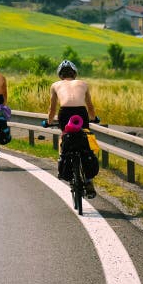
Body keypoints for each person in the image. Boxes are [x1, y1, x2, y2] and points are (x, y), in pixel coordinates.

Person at [47, 59, 98, 198]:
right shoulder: (83, 84)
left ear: (60, 75)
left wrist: (48, 121)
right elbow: (90, 106)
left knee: (64, 136)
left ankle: (61, 159)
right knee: (85, 140)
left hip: (65, 113)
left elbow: (52, 108)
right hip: (81, 113)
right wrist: (93, 117)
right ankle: (89, 181)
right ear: (74, 73)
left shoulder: (55, 85)